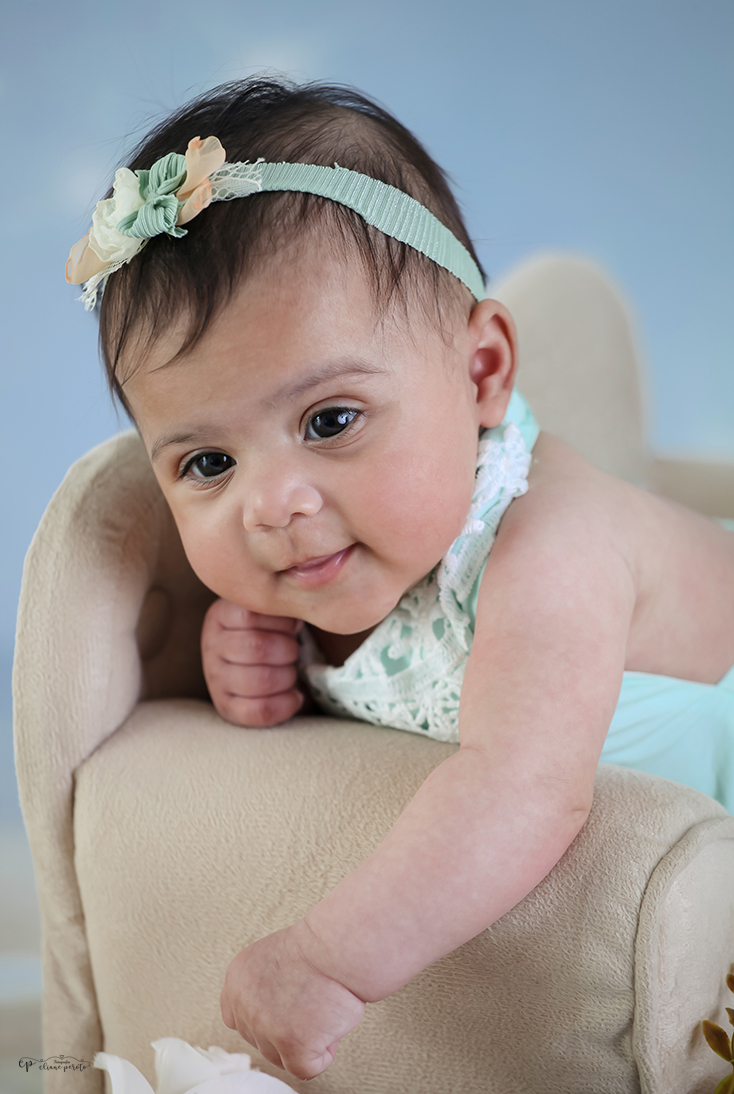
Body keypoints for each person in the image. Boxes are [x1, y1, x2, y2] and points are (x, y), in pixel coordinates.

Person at [66, 77, 734, 1083]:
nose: (271, 505)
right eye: (208, 463)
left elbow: (522, 790)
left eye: (330, 420)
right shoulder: (330, 564)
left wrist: (327, 957)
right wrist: (256, 667)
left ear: (480, 372)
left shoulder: (550, 545)